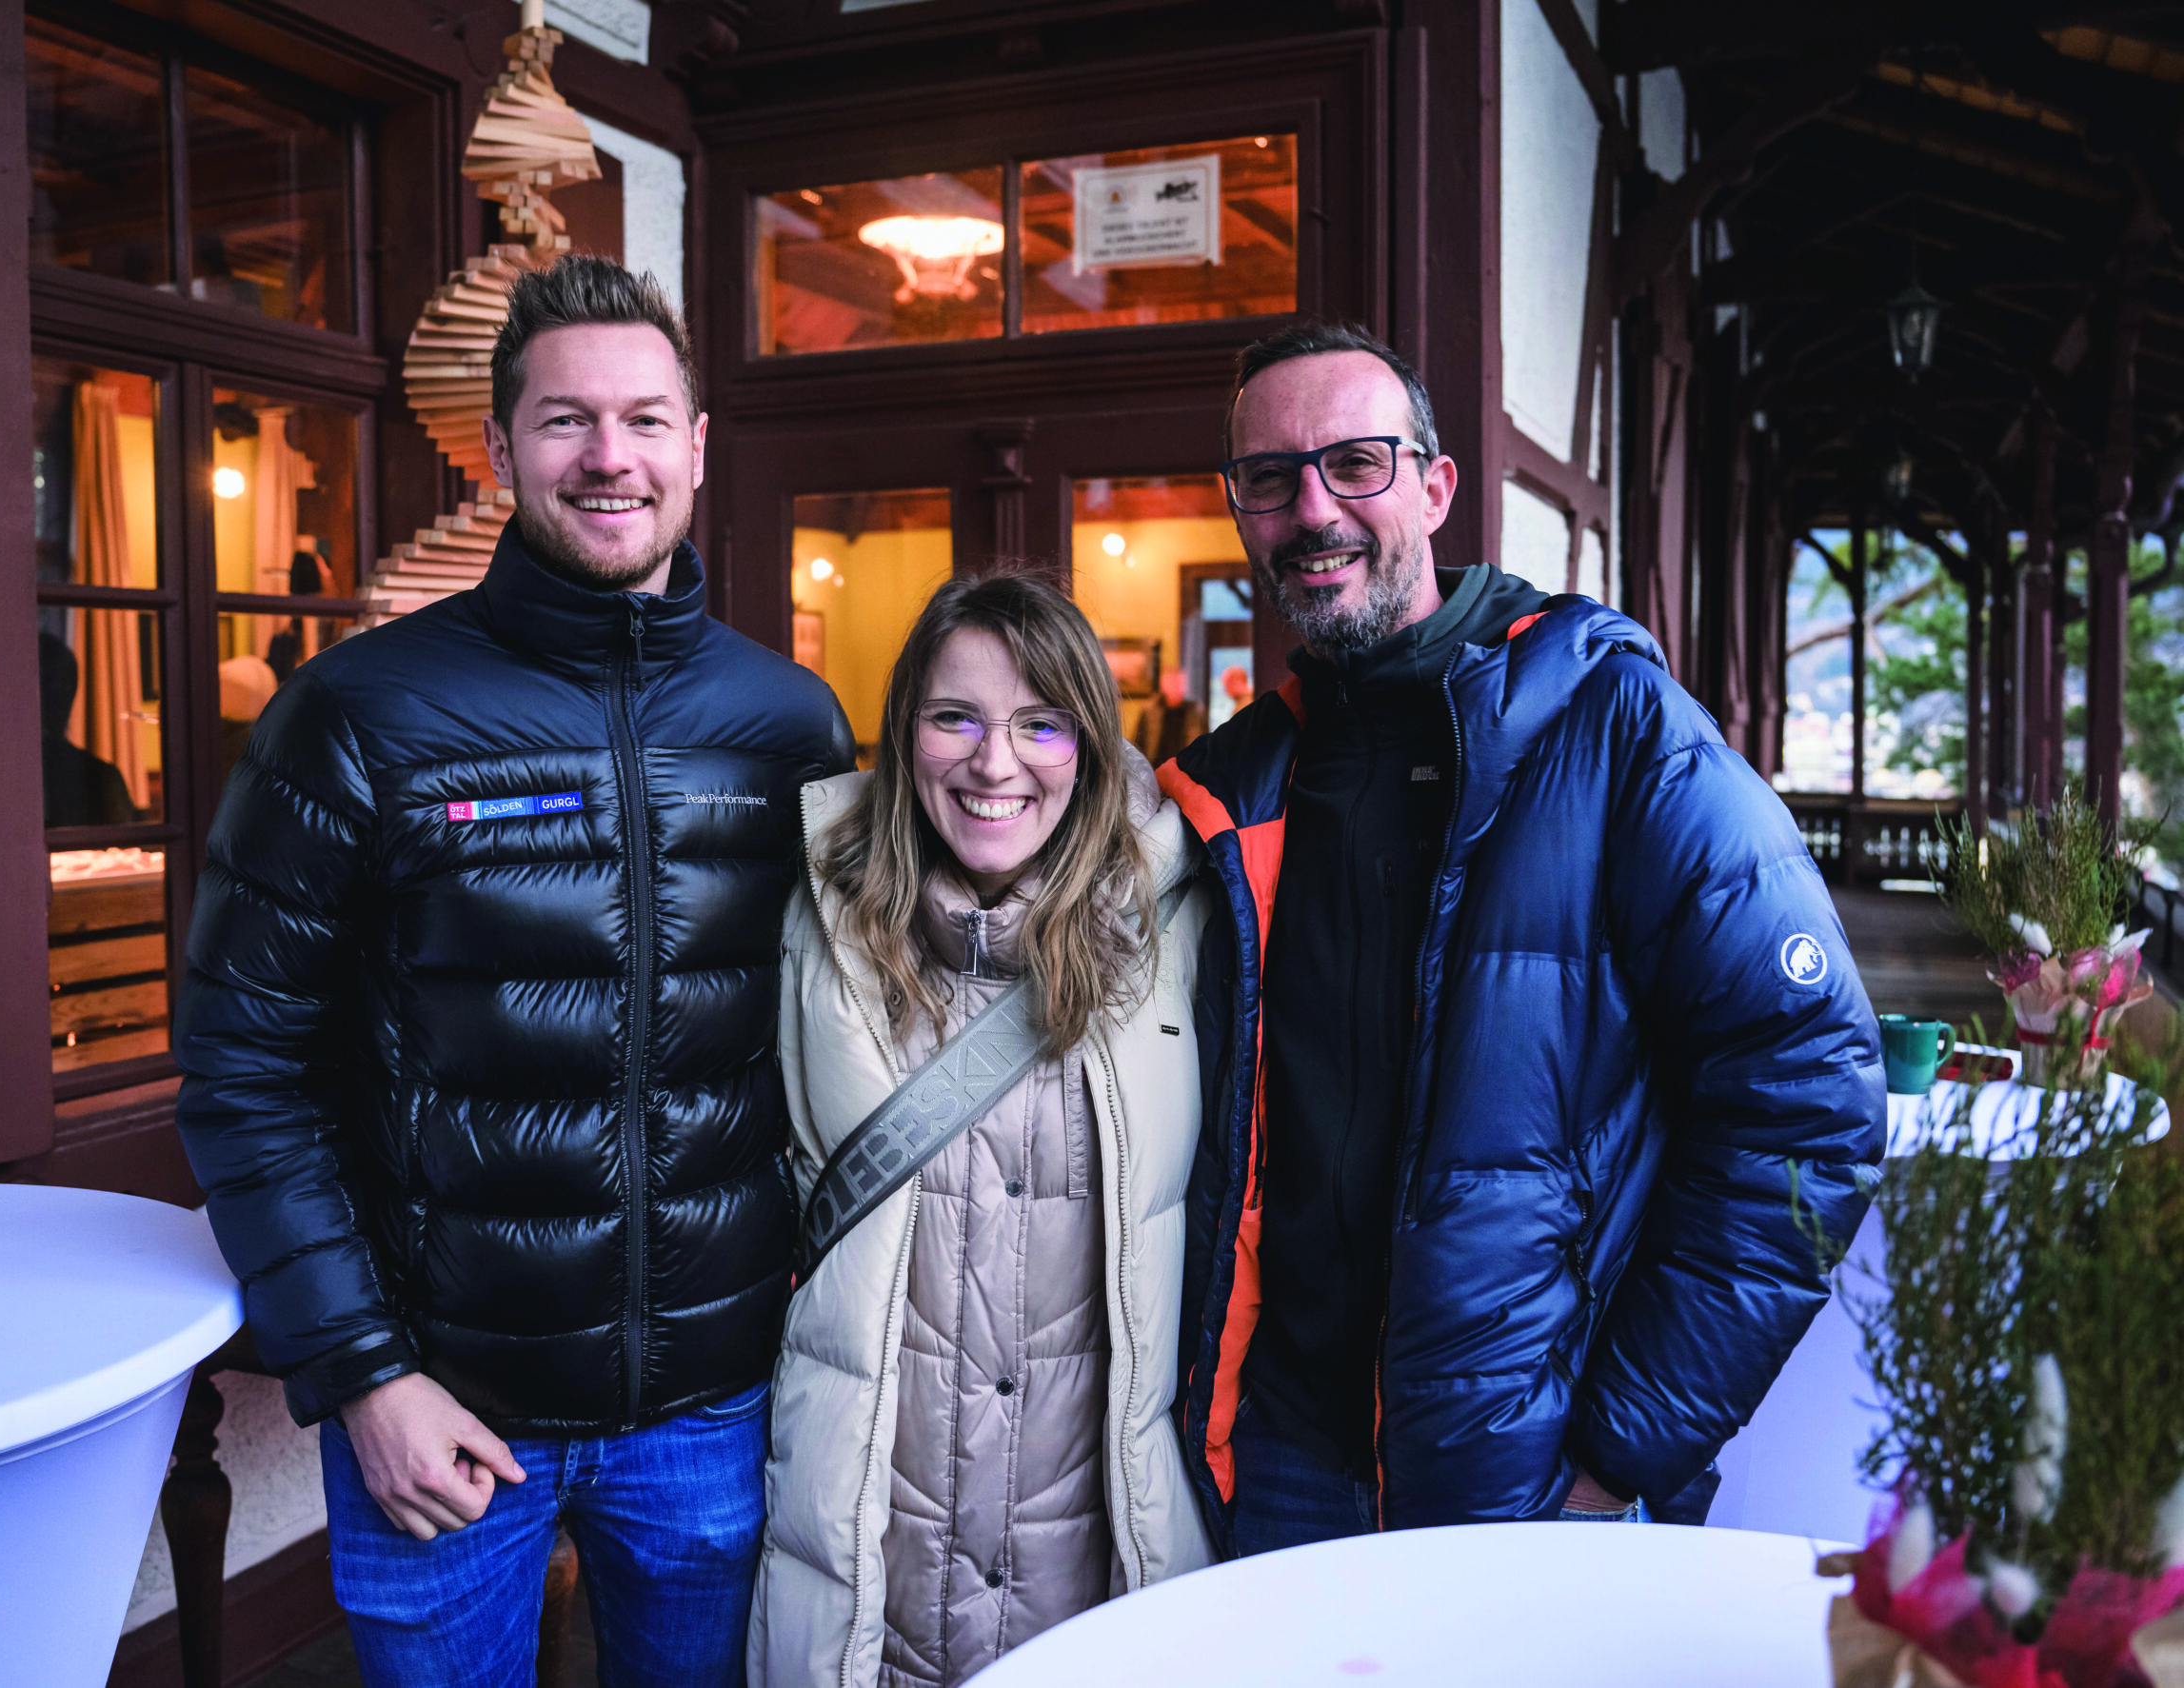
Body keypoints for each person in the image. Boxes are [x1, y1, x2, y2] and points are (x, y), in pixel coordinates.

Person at [173, 255, 851, 1687]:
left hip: (711, 1410)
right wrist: (361, 1373)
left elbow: (840, 1036)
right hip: (444, 1413)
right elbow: (246, 1071)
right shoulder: (355, 714)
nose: (610, 457)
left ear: (697, 446)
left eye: (646, 420)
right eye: (565, 421)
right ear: (498, 450)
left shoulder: (788, 725)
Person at [1160, 321, 1883, 1553]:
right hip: (1274, 1459)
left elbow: (1807, 1091)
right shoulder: (1228, 791)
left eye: (1357, 463)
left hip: (1529, 1469)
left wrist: (1622, 1448)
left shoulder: (1612, 726)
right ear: (1240, 512)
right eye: (1271, 479)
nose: (1314, 508)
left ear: (1437, 488)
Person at [753, 572, 1214, 1688]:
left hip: (1095, 1543)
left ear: (1091, 745)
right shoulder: (818, 921)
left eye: (1039, 723)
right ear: (903, 732)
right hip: (868, 1540)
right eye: (954, 716)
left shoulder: (1180, 926)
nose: (993, 763)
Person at [38, 630, 139, 827]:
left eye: (62, 690)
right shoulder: (102, 777)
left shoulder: (102, 778)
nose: (56, 702)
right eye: (51, 691)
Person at [1133, 665, 1206, 765]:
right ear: (1163, 685)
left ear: (1184, 686)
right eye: (1170, 683)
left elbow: (1204, 746)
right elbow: (1137, 745)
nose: (1174, 687)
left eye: (1178, 683)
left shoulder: (1195, 712)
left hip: (1185, 771)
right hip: (1155, 770)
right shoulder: (1150, 711)